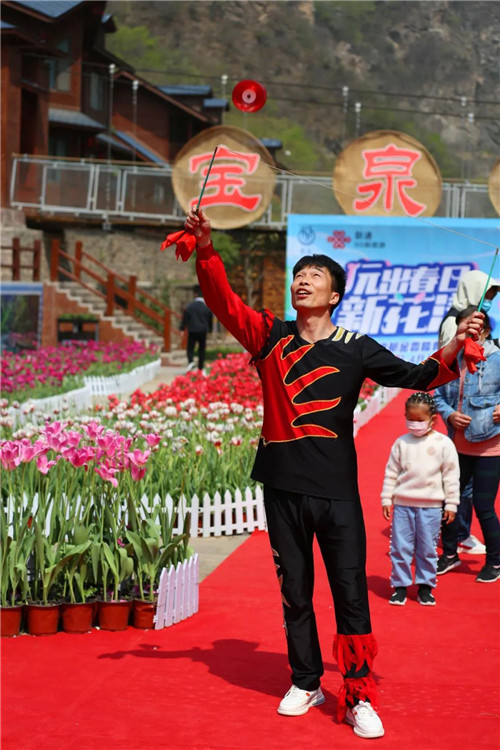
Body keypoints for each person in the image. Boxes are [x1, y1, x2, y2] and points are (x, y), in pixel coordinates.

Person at [183, 208, 483, 740]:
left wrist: (459, 340)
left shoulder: (356, 348)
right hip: (282, 488)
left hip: (337, 492)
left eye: (315, 275)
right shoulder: (269, 337)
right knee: (295, 592)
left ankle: (359, 692)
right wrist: (206, 248)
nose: (303, 280)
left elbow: (418, 374)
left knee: (349, 592)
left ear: (335, 294)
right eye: (299, 274)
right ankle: (306, 681)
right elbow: (223, 302)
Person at [434, 307, 500, 583]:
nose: (470, 331)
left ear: (486, 330)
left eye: (476, 326)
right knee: (449, 501)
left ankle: (495, 561)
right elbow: (437, 394)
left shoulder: (496, 357)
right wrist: (450, 414)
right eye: (465, 326)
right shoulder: (452, 358)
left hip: (490, 446)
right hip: (457, 446)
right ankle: (450, 554)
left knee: (483, 506)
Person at [381, 392, 459, 607]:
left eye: (420, 420)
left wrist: (451, 503)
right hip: (403, 506)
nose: (414, 424)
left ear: (432, 419)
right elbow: (391, 472)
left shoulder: (443, 444)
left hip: (431, 508)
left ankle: (425, 586)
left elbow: (451, 476)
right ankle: (400, 586)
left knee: (427, 548)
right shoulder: (401, 443)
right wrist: (387, 498)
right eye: (410, 419)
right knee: (400, 547)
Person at [180, 284, 213, 374]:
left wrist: (182, 328)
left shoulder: (190, 307)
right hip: (203, 331)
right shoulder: (206, 308)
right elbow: (210, 320)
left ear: (195, 294)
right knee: (201, 349)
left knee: (190, 347)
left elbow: (185, 318)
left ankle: (191, 362)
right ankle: (200, 367)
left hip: (192, 330)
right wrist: (210, 330)